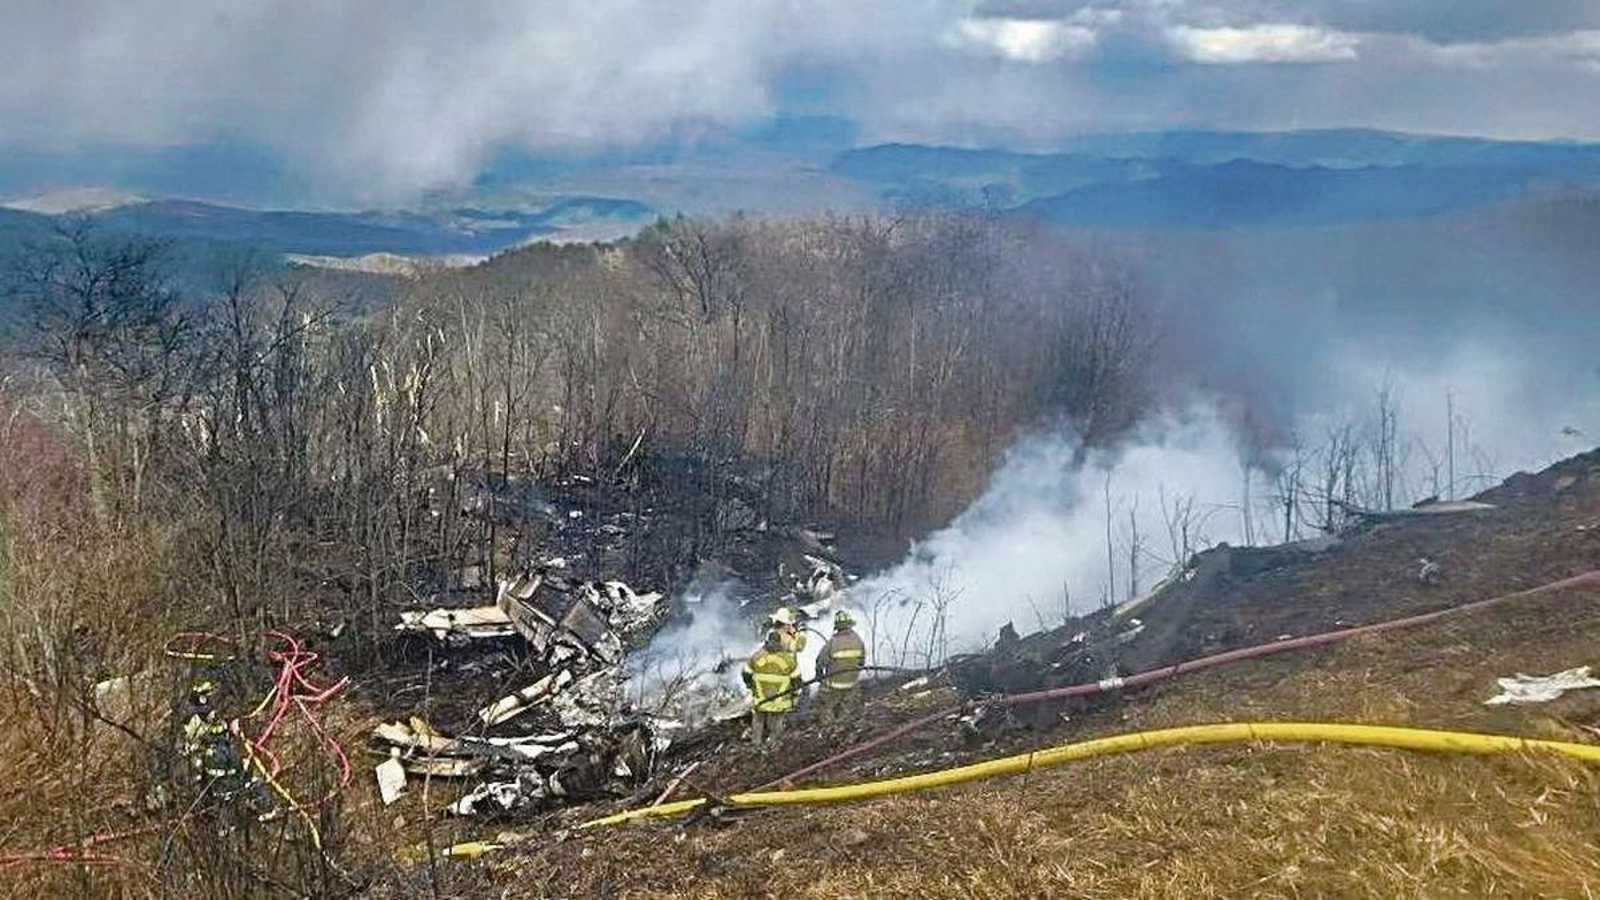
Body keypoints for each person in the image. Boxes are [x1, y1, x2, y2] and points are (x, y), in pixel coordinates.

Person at [742, 631, 799, 745]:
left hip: (761, 698)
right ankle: (773, 743)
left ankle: (756, 743)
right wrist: (794, 694)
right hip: (779, 700)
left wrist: (750, 686)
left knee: (758, 720)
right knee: (777, 721)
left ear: (767, 641)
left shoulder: (756, 656)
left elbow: (746, 674)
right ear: (779, 643)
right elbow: (796, 679)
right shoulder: (788, 660)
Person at [816, 610, 866, 723]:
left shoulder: (832, 643)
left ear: (837, 627)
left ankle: (827, 725)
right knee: (848, 709)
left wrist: (819, 675)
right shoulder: (859, 641)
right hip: (852, 684)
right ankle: (843, 723)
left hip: (834, 685)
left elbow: (820, 663)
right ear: (850, 625)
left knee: (824, 704)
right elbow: (862, 663)